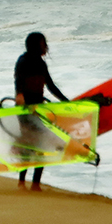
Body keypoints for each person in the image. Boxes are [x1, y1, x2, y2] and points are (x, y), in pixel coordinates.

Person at [13, 31, 68, 191]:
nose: (46, 46)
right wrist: (19, 94)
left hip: (39, 109)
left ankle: (35, 183)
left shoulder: (41, 64)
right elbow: (18, 80)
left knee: (41, 146)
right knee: (27, 145)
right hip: (25, 109)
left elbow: (50, 86)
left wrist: (66, 102)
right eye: (43, 43)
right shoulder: (23, 61)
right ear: (35, 45)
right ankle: (22, 182)